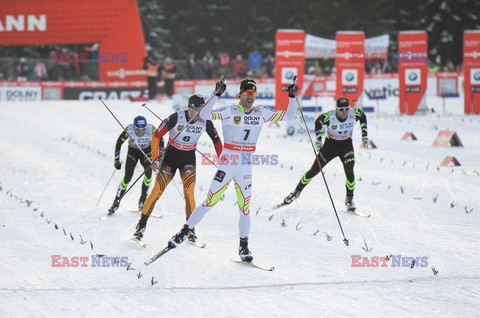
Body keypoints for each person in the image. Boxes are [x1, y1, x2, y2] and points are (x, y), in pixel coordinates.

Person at [166, 78, 300, 262]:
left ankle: (244, 246)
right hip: (229, 161)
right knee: (209, 202)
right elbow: (205, 115)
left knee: (244, 207)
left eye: (253, 93)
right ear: (240, 94)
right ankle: (183, 232)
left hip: (245, 164)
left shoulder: (262, 113)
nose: (250, 97)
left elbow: (290, 116)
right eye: (247, 93)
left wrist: (292, 96)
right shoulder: (229, 110)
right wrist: (217, 94)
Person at [133, 95, 223, 241]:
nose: (202, 112)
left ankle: (190, 228)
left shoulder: (205, 121)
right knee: (157, 191)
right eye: (198, 109)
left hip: (188, 159)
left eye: (203, 108)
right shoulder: (176, 118)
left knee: (189, 193)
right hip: (170, 157)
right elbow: (156, 136)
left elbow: (217, 141)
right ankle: (141, 226)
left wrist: (222, 161)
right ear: (190, 108)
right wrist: (155, 158)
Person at [282, 97, 368, 212]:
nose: (344, 112)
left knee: (350, 171)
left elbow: (363, 117)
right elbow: (318, 122)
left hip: (346, 146)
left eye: (346, 109)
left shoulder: (354, 113)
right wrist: (318, 139)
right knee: (313, 171)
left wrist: (365, 135)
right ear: (336, 109)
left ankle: (349, 199)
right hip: (330, 146)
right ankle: (296, 192)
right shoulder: (329, 117)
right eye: (341, 109)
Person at [108, 116, 163, 215]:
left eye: (143, 130)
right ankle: (116, 202)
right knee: (127, 177)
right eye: (138, 130)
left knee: (148, 175)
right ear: (134, 127)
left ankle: (142, 201)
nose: (141, 132)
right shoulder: (129, 130)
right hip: (132, 153)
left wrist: (160, 157)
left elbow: (161, 140)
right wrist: (116, 160)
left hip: (146, 152)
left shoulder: (152, 129)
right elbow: (118, 143)